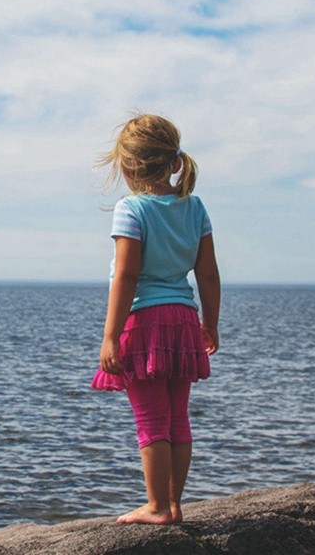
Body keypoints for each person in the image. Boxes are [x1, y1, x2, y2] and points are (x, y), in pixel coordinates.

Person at [90, 113, 220, 525]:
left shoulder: (132, 209)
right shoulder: (194, 207)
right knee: (177, 416)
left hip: (145, 322)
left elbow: (127, 275)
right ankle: (175, 504)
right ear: (173, 161)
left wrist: (110, 337)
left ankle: (157, 507)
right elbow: (209, 274)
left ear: (127, 168)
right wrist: (210, 323)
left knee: (151, 420)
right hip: (183, 320)